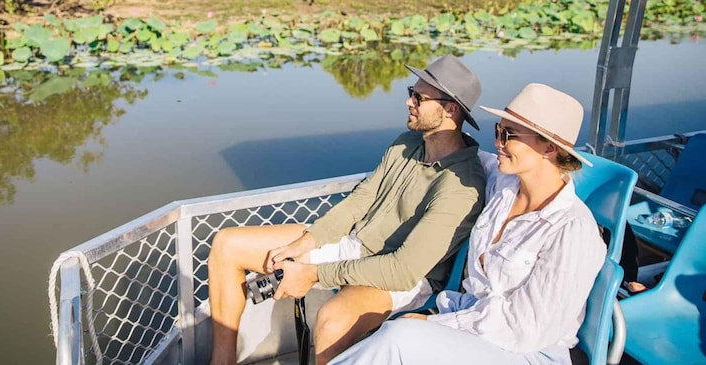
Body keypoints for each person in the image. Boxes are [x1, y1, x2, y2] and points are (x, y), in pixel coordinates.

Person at [208, 54, 488, 365]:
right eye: (411, 92)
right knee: (227, 245)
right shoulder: (406, 143)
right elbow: (360, 200)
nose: (408, 102)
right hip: (356, 245)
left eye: (419, 97)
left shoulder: (461, 185)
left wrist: (312, 274)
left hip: (404, 279)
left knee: (333, 319)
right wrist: (307, 241)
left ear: (450, 110)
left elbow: (404, 269)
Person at [329, 83, 607, 365]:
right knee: (394, 337)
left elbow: (526, 329)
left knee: (399, 338)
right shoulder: (502, 184)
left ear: (548, 147)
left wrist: (440, 324)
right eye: (497, 130)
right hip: (474, 328)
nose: (497, 142)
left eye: (508, 134)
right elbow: (453, 152)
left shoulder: (571, 230)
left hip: (527, 352)